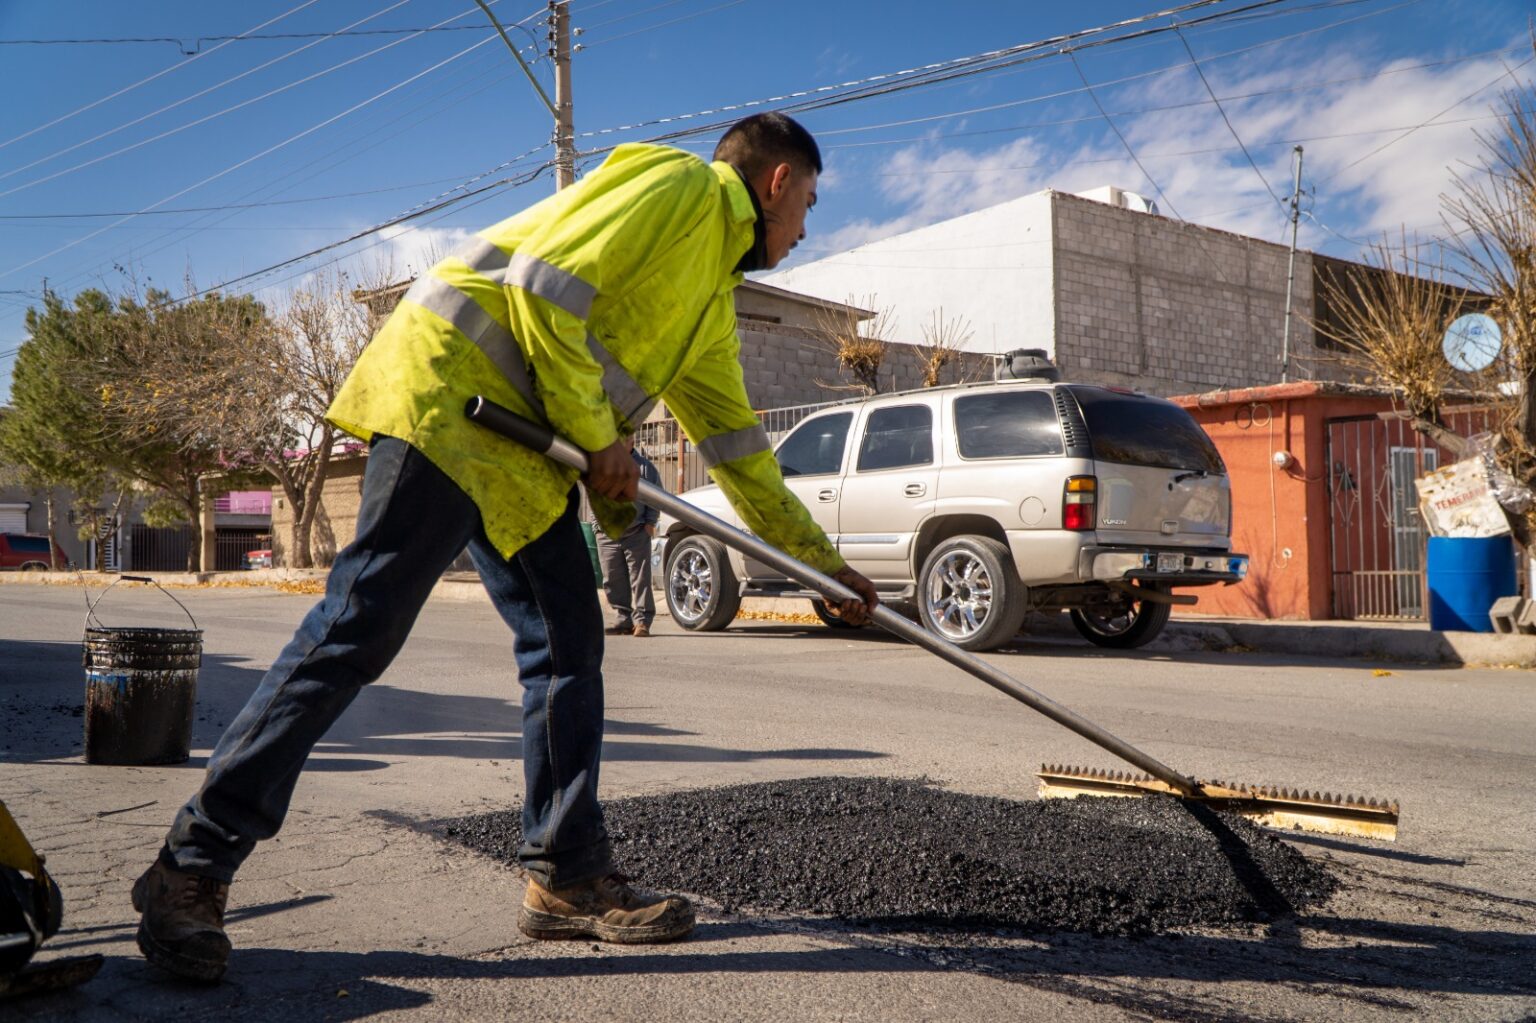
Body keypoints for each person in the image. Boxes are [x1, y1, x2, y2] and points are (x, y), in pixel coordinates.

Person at [131, 111, 879, 983]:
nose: (804, 231)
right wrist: (600, 435)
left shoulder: (709, 296)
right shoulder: (681, 188)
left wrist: (818, 561)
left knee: (569, 643)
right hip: (450, 404)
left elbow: (736, 443)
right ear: (777, 182)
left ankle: (566, 876)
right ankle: (190, 868)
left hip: (521, 457)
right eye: (809, 207)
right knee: (355, 632)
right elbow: (540, 285)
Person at [588, 437, 661, 638]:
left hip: (636, 532)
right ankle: (623, 619)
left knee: (640, 580)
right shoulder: (604, 466)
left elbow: (656, 498)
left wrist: (649, 524)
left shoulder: (645, 468)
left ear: (632, 442)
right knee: (612, 579)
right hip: (607, 533)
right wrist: (597, 527)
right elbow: (594, 495)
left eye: (626, 438)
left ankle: (642, 622)